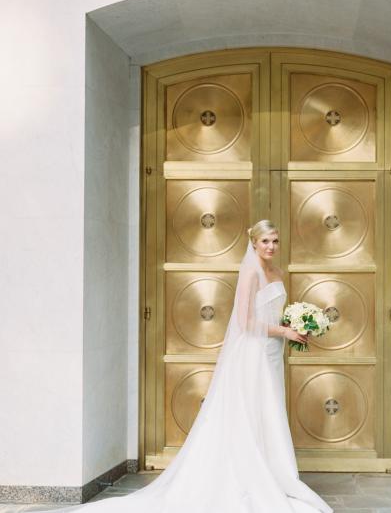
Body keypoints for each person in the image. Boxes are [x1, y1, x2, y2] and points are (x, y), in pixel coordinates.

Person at [38, 220, 333, 513]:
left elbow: (268, 314)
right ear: (253, 242)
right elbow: (244, 323)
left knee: (268, 411)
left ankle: (273, 474)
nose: (270, 247)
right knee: (250, 411)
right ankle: (248, 476)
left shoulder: (278, 272)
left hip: (271, 352)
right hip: (252, 355)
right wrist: (284, 332)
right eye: (265, 241)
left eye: (275, 241)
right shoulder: (249, 274)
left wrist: (294, 325)